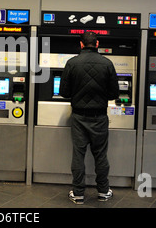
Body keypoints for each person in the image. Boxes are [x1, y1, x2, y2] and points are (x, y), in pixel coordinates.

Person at [59, 31, 119, 204]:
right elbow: (114, 93)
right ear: (97, 43)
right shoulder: (107, 64)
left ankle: (78, 193)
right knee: (100, 155)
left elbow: (64, 92)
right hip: (99, 117)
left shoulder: (72, 63)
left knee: (78, 154)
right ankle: (103, 191)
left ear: (82, 44)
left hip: (78, 117)